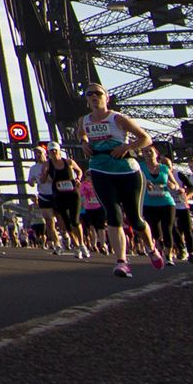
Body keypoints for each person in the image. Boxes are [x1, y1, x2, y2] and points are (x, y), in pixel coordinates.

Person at [76, 84, 151, 277]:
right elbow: (80, 132)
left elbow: (145, 139)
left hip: (126, 171)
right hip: (100, 170)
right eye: (89, 94)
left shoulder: (117, 118)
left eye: (98, 93)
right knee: (113, 215)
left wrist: (126, 147)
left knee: (135, 219)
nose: (94, 96)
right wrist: (84, 143)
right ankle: (121, 262)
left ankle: (151, 248)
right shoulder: (83, 120)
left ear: (106, 97)